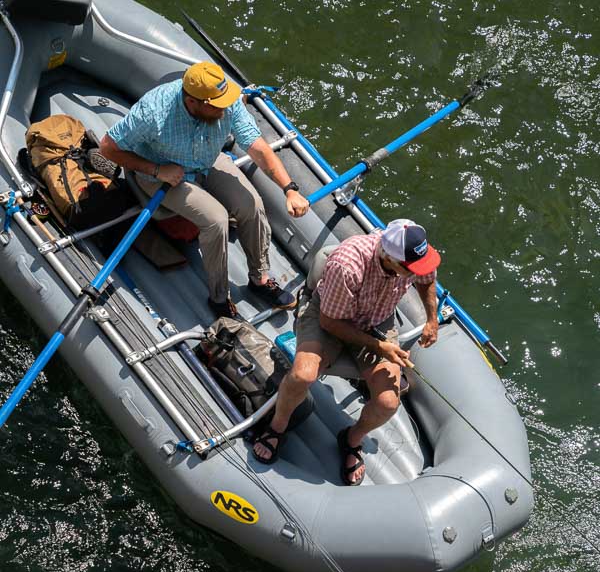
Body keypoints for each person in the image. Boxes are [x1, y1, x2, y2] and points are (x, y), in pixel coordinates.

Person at [100, 61, 310, 318]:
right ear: (193, 102)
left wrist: (289, 189)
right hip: (162, 172)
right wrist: (157, 170)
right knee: (216, 220)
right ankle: (219, 297)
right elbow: (108, 147)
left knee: (252, 205)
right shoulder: (153, 111)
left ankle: (260, 279)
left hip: (207, 160)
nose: (225, 108)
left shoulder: (226, 102)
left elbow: (257, 147)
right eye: (217, 105)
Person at [252, 219, 441, 485]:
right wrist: (379, 347)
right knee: (302, 376)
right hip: (329, 317)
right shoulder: (348, 264)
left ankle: (352, 439)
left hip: (377, 319)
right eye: (409, 270)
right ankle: (277, 426)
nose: (415, 272)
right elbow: (330, 322)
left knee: (388, 402)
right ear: (389, 257)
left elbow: (426, 278)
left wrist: (432, 319)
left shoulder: (411, 257)